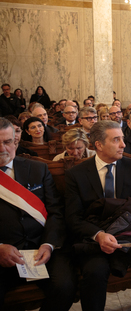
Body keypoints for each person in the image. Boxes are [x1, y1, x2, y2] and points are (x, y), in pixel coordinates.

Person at [65, 121, 131, 311]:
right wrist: (99, 235)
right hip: (97, 240)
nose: (123, 144)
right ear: (99, 145)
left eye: (122, 138)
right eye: (116, 140)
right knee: (94, 271)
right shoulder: (76, 174)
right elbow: (73, 218)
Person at [0, 118, 77, 310]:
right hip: (3, 254)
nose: (2, 148)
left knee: (65, 286)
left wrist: (48, 244)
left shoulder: (37, 168)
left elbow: (56, 212)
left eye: (7, 142)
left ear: (15, 141)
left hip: (39, 248)